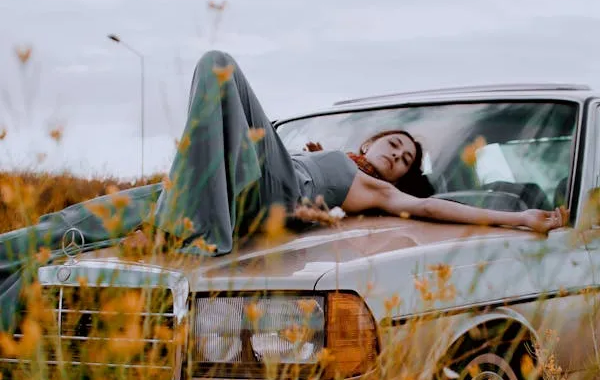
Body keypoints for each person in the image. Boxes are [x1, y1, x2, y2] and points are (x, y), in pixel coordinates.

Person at [154, 50, 568, 255]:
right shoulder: (336, 157)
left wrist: (518, 218)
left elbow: (429, 207)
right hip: (255, 181)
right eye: (394, 145)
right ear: (368, 142)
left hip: (273, 190)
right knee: (147, 196)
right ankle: (127, 229)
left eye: (405, 162)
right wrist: (318, 159)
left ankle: (202, 236)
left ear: (399, 178)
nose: (397, 157)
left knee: (218, 63)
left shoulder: (372, 188)